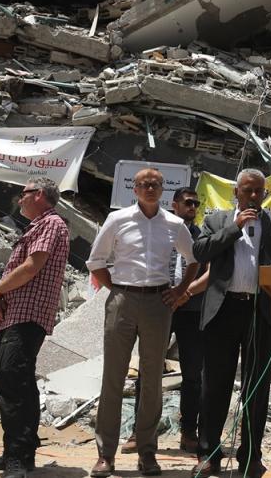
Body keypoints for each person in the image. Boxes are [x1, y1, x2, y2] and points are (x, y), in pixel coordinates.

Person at [86, 168, 197, 478]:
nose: (150, 188)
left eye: (156, 184)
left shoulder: (174, 224)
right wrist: (117, 290)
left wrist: (179, 291)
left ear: (163, 189)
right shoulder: (117, 220)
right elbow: (96, 261)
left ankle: (147, 452)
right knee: (113, 377)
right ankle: (105, 455)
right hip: (122, 301)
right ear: (134, 189)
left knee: (151, 380)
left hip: (159, 304)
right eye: (144, 184)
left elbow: (193, 261)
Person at [192, 169, 271, 478]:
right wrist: (234, 228)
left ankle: (251, 455)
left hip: (260, 313)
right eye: (247, 191)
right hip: (223, 311)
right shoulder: (218, 219)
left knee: (256, 388)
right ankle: (209, 453)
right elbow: (201, 250)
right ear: (236, 192)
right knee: (215, 386)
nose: (253, 196)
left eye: (259, 191)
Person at [0, 178, 71, 478]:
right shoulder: (39, 226)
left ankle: (18, 457)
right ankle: (18, 451)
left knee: (10, 379)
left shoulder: (51, 223)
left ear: (41, 195)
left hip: (28, 313)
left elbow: (32, 266)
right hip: (19, 313)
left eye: (24, 193)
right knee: (16, 380)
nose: (20, 199)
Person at [122, 187, 208, 457]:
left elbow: (208, 272)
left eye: (196, 203)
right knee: (149, 369)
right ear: (174, 205)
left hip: (191, 309)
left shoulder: (202, 237)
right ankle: (140, 431)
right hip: (158, 307)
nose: (192, 207)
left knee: (194, 374)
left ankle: (188, 432)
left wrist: (184, 292)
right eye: (187, 203)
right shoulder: (161, 231)